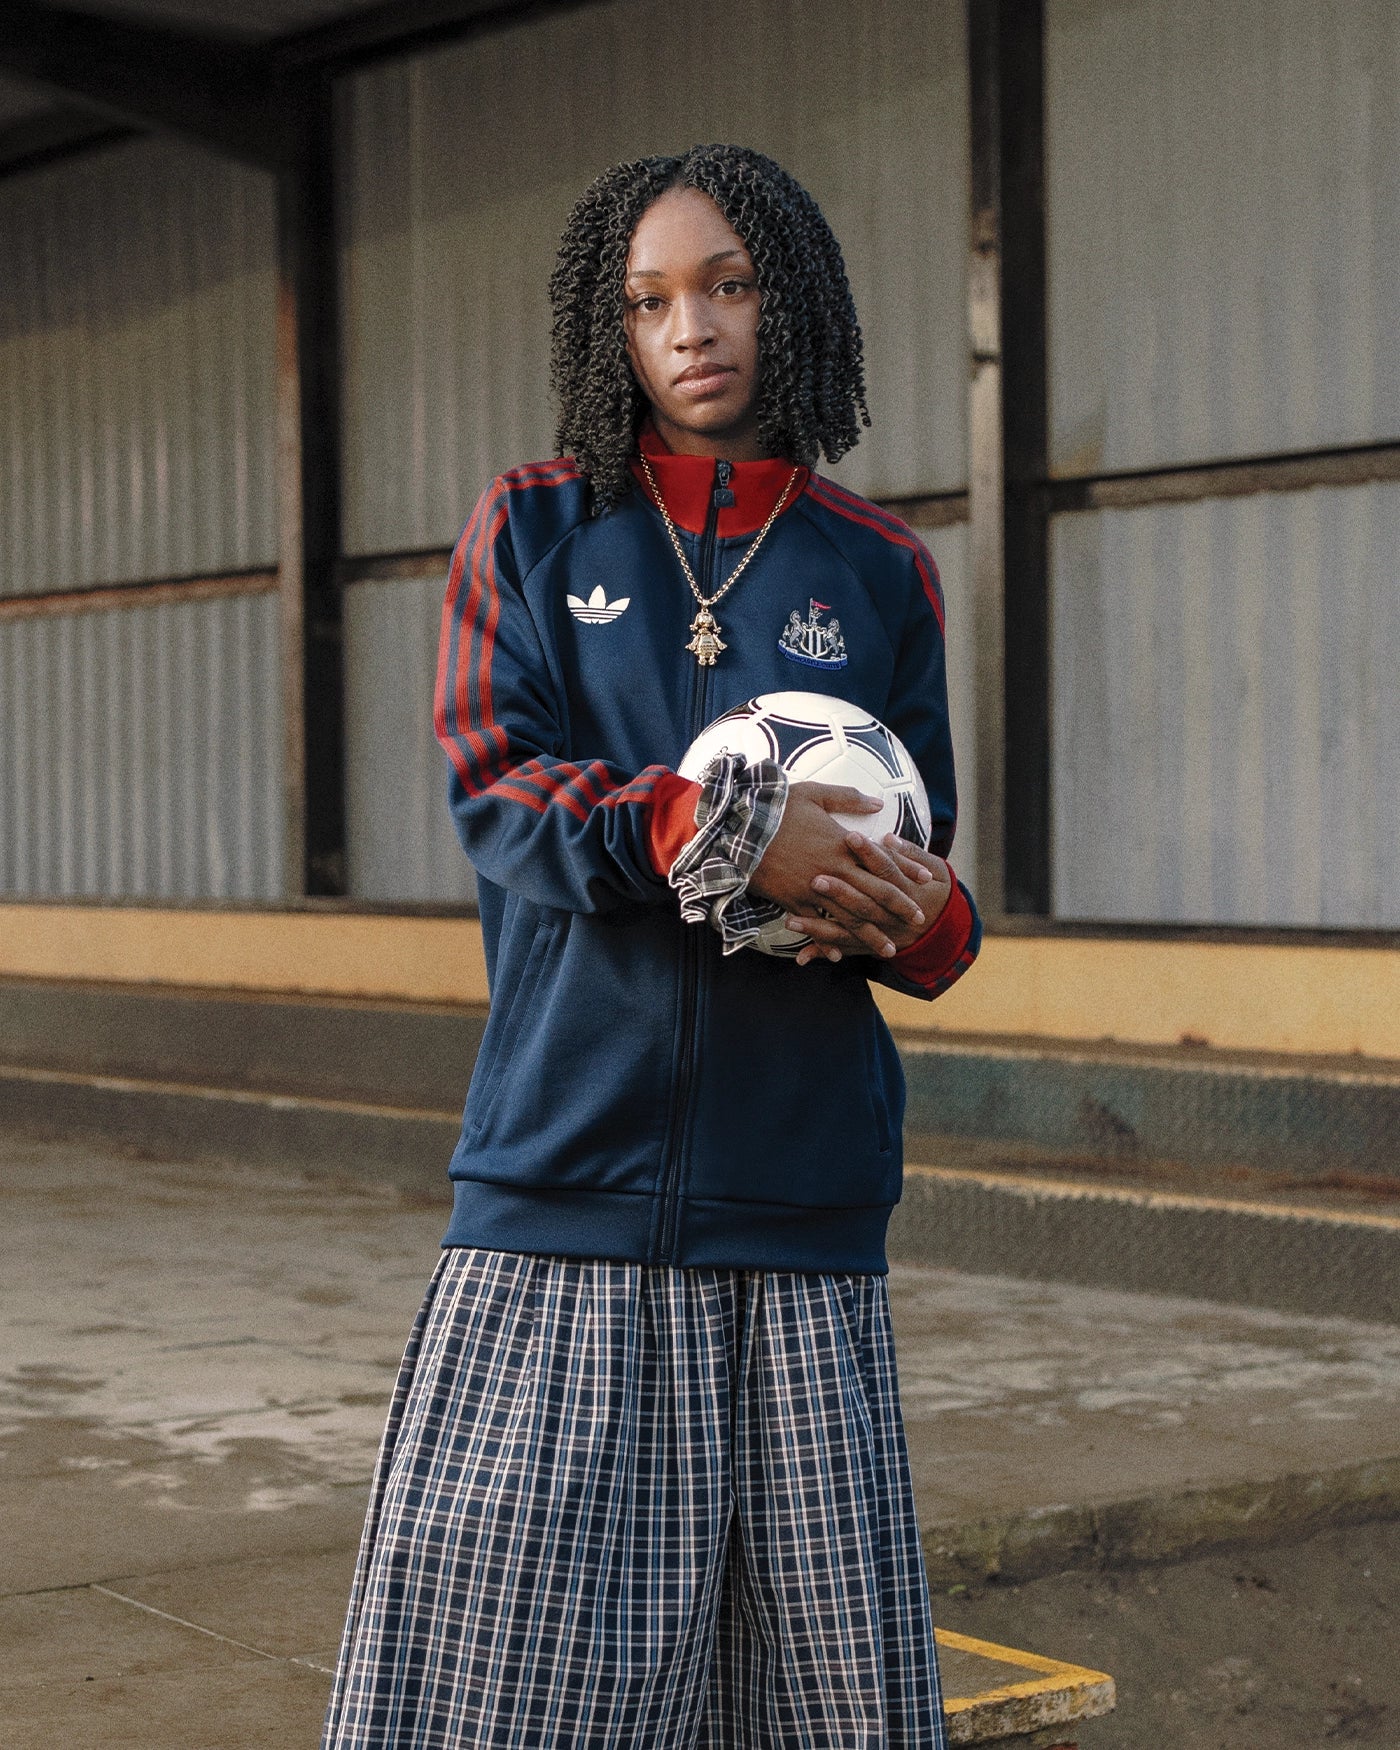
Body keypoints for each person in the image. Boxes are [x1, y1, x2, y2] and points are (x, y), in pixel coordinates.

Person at [321, 143, 980, 1750]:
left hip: (800, 1210)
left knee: (811, 1704)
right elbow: (499, 793)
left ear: (791, 302)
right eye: (650, 299)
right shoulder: (534, 528)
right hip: (566, 1182)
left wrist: (917, 915)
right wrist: (710, 826)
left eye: (731, 285)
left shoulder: (877, 566)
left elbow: (926, 853)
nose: (693, 326)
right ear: (608, 327)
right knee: (514, 1694)